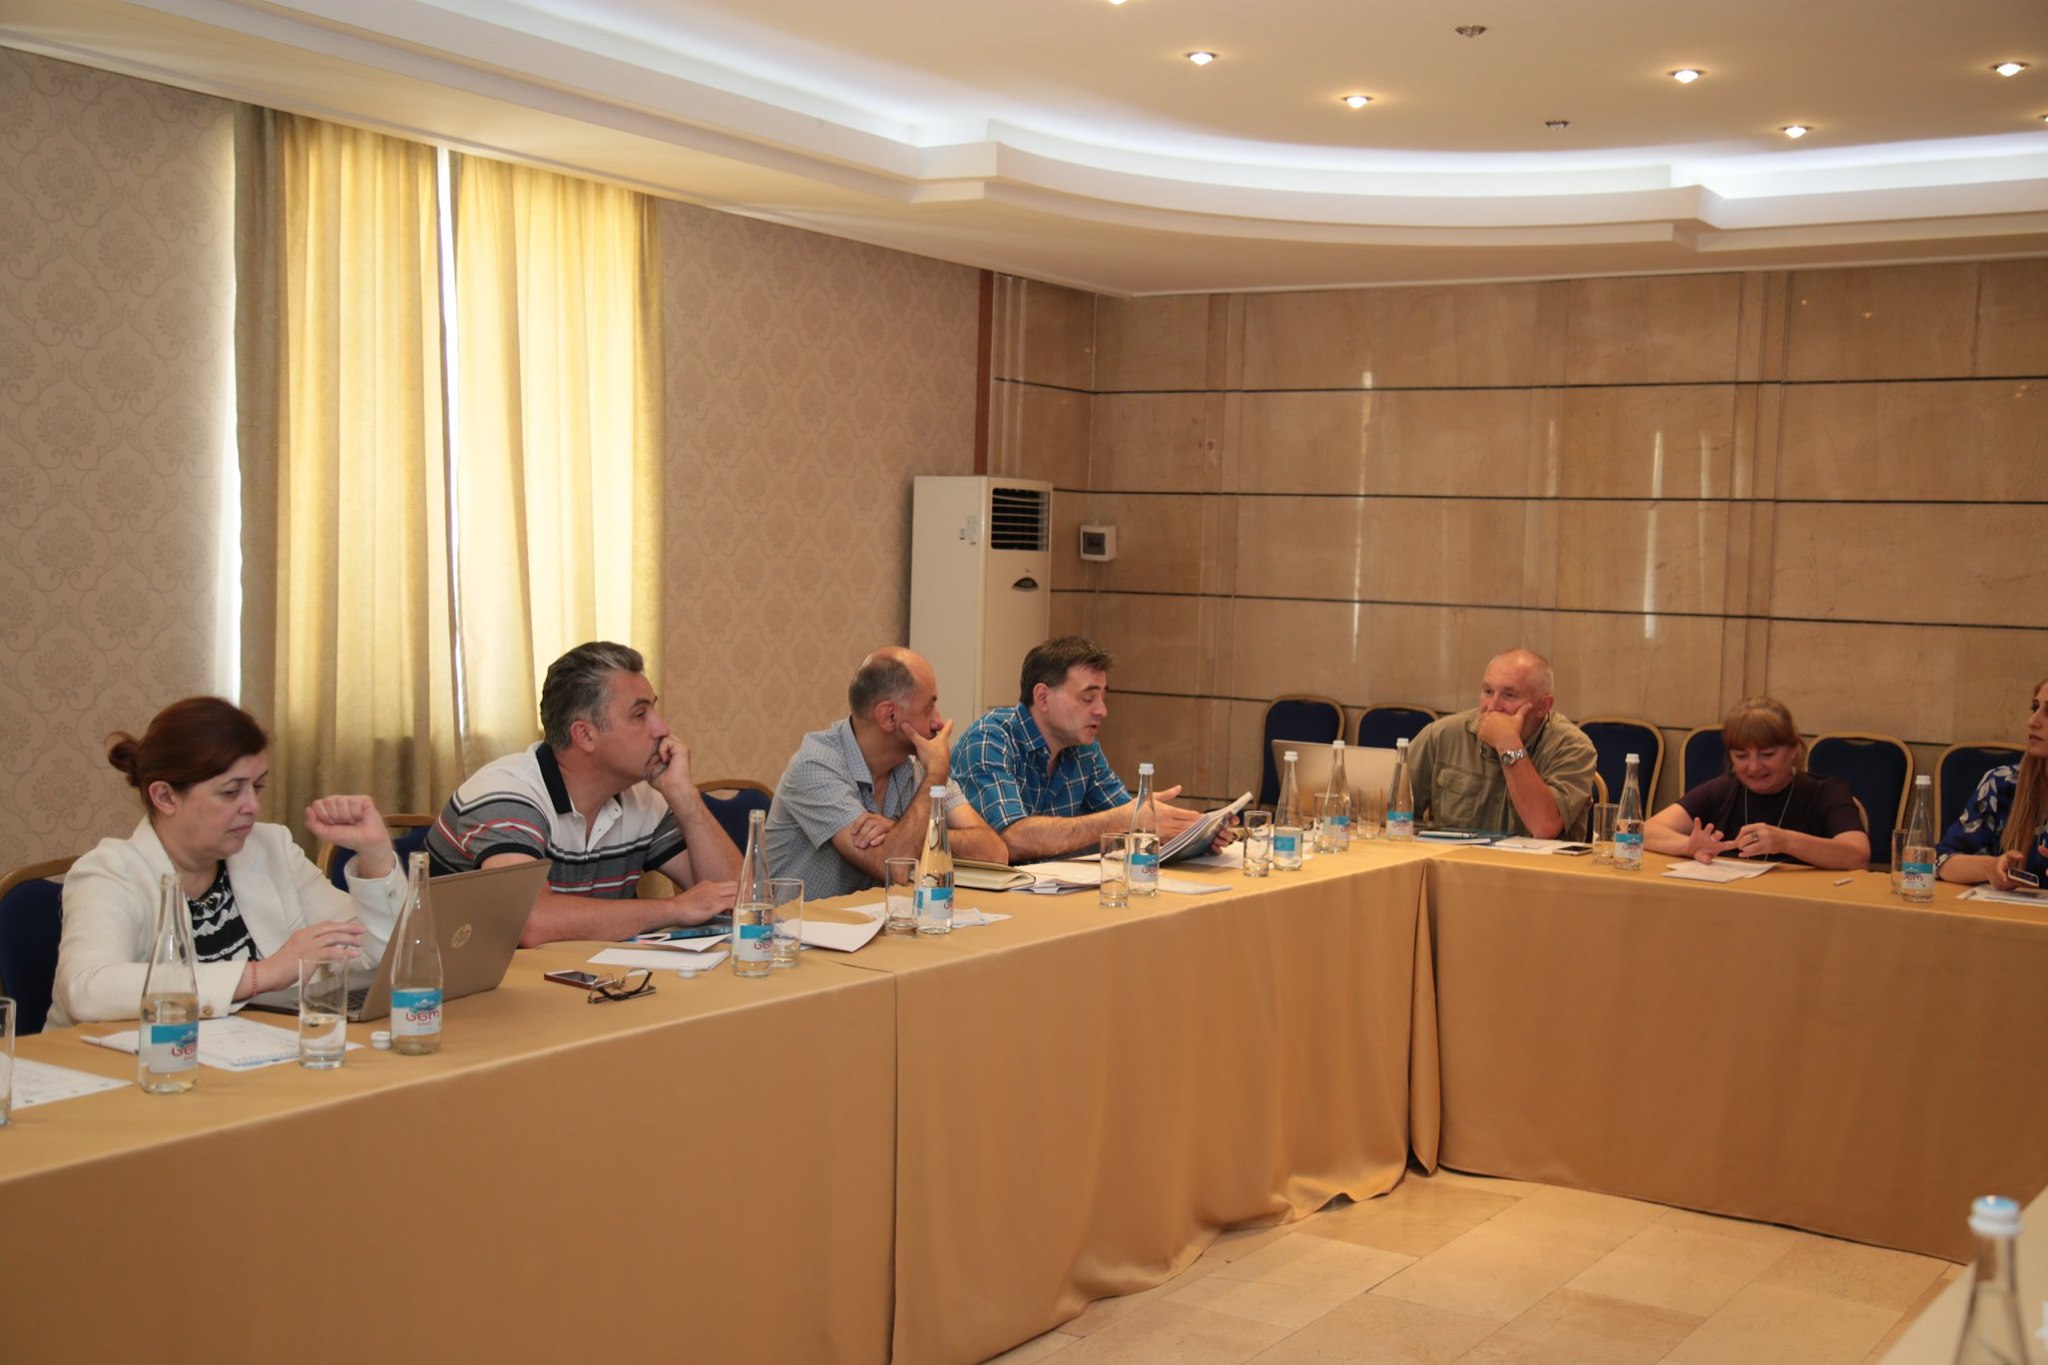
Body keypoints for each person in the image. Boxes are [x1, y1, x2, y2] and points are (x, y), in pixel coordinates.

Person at [51, 697, 405, 1027]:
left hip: (254, 1056)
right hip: (124, 1065)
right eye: (231, 791)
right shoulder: (109, 872)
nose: (252, 806)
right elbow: (87, 989)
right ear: (165, 797)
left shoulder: (272, 847)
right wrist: (261, 974)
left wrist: (375, 854)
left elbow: (381, 956)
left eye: (258, 786)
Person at [426, 641, 741, 945]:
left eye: (654, 710)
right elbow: (530, 922)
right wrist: (674, 909)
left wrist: (685, 796)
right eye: (639, 715)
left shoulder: (645, 799)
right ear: (585, 735)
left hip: (580, 975)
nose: (662, 729)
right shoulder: (506, 794)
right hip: (455, 980)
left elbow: (741, 903)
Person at [765, 647, 1008, 898]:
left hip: (877, 919)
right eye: (928, 708)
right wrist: (936, 776)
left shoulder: (916, 765)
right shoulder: (816, 765)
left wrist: (907, 831)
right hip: (800, 922)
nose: (939, 722)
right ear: (889, 716)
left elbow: (995, 853)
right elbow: (893, 867)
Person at [951, 636, 1220, 861]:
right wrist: (1125, 820)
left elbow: (1129, 823)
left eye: (1103, 697)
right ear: (1042, 697)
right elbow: (1012, 839)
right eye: (1088, 698)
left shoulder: (1083, 748)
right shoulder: (990, 740)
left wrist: (1198, 834)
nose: (1102, 710)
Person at [1642, 698, 1868, 868]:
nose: (1753, 767)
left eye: (1767, 755)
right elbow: (1645, 831)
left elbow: (1857, 855)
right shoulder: (1724, 789)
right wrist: (1688, 846)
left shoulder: (1826, 792)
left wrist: (1785, 841)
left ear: (1793, 750)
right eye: (1741, 756)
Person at [1404, 648, 1597, 839]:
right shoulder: (1443, 734)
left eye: (1509, 695)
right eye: (1488, 692)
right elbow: (1393, 809)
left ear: (1543, 706)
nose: (1493, 706)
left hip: (1529, 860)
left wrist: (1508, 744)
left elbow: (1543, 826)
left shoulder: (1573, 747)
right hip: (1456, 858)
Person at [1939, 676, 2048, 889]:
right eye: (2035, 708)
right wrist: (1990, 868)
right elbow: (1942, 860)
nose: (2032, 721)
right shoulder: (2002, 783)